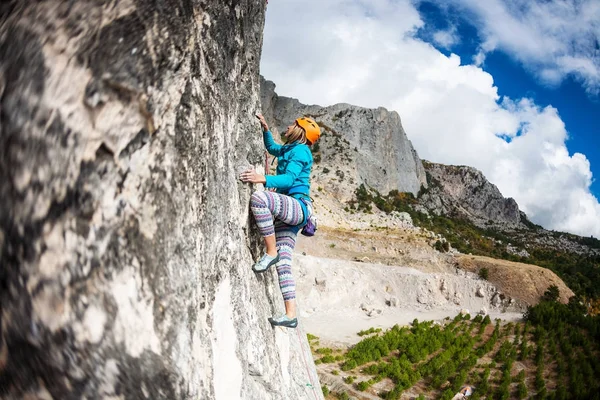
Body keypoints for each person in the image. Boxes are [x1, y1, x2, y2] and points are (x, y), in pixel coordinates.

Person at [239, 113, 320, 328]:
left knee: (259, 198)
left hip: (297, 206)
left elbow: (290, 179)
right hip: (291, 214)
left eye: (293, 123)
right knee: (284, 264)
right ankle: (290, 315)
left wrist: (262, 178)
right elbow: (272, 147)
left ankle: (270, 251)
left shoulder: (301, 151)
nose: (288, 124)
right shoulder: (289, 149)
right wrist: (265, 128)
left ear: (300, 130)